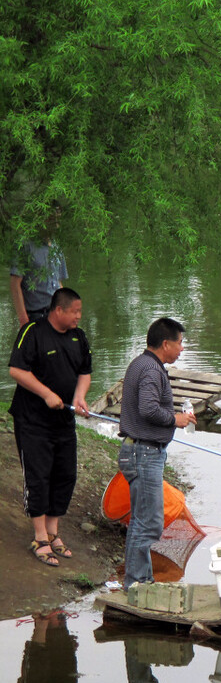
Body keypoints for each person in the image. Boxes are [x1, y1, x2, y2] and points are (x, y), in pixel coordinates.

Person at [8, 287, 91, 567]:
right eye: (75, 311)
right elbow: (16, 370)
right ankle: (40, 537)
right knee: (39, 475)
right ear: (59, 310)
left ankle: (54, 532)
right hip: (33, 421)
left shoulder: (78, 337)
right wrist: (45, 393)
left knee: (64, 475)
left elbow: (84, 372)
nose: (78, 316)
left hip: (64, 421)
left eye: (80, 311)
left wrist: (79, 397)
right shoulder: (33, 331)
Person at [117, 317, 196, 589]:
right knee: (149, 522)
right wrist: (176, 419)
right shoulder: (150, 369)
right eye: (180, 342)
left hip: (139, 451)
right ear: (166, 343)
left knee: (142, 520)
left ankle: (139, 580)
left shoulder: (143, 363)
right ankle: (138, 583)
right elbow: (148, 409)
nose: (182, 348)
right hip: (144, 453)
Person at [10, 225, 67, 327]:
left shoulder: (56, 247)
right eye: (52, 220)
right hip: (35, 316)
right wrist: (23, 320)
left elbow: (59, 283)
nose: (57, 225)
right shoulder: (25, 246)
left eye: (58, 220)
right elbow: (15, 284)